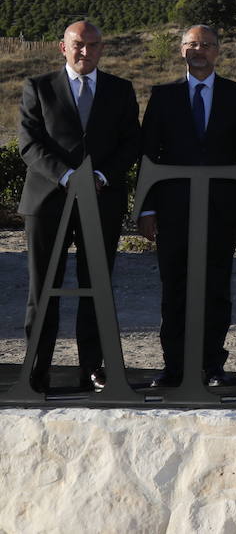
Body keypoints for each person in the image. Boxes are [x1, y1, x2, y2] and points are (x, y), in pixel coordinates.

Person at [18, 19, 140, 393]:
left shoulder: (121, 90)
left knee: (97, 286)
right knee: (43, 289)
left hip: (102, 202)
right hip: (48, 202)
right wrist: (69, 177)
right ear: (63, 47)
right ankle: (36, 371)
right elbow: (29, 143)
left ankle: (94, 368)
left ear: (102, 48)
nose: (85, 51)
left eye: (92, 45)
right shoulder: (38, 87)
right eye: (77, 44)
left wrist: (100, 176)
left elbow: (131, 142)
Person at [138, 24, 236, 388]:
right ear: (181, 50)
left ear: (218, 51)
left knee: (217, 289)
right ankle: (174, 367)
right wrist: (146, 208)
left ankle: (212, 366)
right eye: (192, 44)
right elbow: (147, 156)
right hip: (173, 209)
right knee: (175, 289)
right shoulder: (163, 95)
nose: (199, 50)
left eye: (206, 45)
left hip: (221, 208)